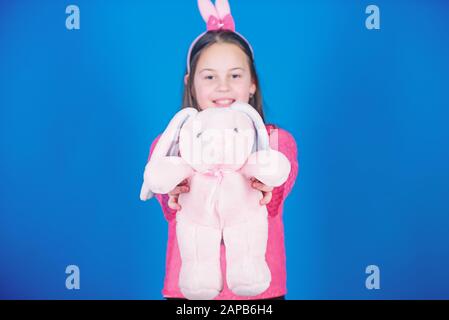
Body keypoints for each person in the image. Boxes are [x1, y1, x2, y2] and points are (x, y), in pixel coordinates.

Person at [145, 0, 298, 300]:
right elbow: (169, 207)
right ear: (191, 84)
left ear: (252, 83)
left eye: (235, 75)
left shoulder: (277, 141)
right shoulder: (172, 143)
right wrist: (173, 189)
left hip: (259, 293)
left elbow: (277, 194)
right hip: (188, 291)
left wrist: (267, 183)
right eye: (210, 76)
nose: (223, 86)